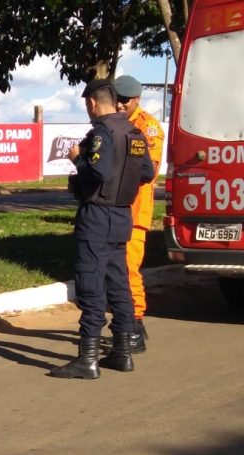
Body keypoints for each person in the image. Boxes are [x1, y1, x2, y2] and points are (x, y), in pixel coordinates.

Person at [49, 79, 155, 379]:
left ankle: (87, 360)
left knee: (91, 284)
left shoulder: (102, 133)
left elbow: (97, 171)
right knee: (119, 284)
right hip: (122, 215)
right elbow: (147, 172)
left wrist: (76, 159)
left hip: (97, 215)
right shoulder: (135, 132)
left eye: (88, 105)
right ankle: (122, 353)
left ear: (92, 103)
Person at [111, 75, 165, 353]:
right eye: (116, 99)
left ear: (137, 99)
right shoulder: (114, 123)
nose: (120, 105)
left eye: (125, 100)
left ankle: (135, 323)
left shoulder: (148, 127)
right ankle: (125, 322)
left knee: (129, 268)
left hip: (135, 211)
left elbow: (149, 172)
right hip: (115, 210)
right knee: (115, 269)